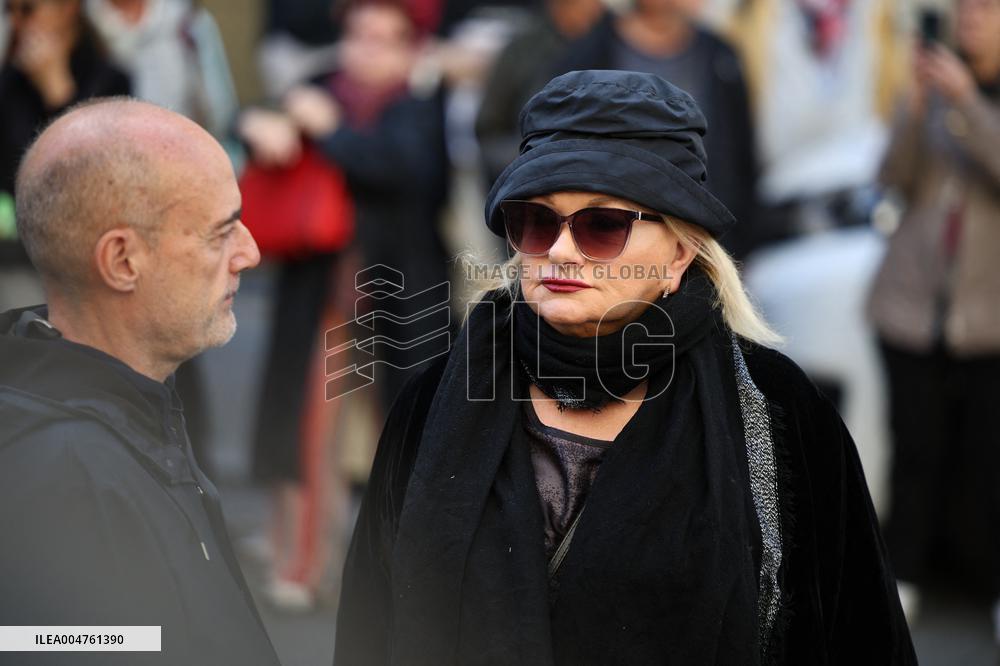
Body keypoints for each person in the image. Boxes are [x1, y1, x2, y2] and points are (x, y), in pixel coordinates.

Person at [334, 70, 917, 665]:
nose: (559, 250)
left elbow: (860, 637)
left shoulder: (779, 410)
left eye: (602, 225)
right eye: (535, 220)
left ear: (679, 254)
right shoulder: (437, 398)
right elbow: (369, 625)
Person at [0, 98, 280, 666]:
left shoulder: (125, 408)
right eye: (220, 231)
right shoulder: (58, 475)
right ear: (123, 261)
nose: (249, 252)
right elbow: (63, 644)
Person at [866, 0, 1000, 628]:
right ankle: (906, 580)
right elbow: (893, 176)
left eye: (986, 8)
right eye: (964, 6)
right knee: (912, 449)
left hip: (989, 318)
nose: (970, 17)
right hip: (911, 308)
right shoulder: (930, 86)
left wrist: (968, 101)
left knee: (985, 456)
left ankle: (985, 581)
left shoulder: (970, 93)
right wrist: (918, 106)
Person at [552, 0, 758, 259]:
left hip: (708, 241)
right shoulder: (589, 54)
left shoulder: (719, 55)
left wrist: (743, 244)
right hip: (608, 242)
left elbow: (742, 157)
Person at [0, 0, 129, 305]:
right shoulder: (10, 82)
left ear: (68, 8)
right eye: (10, 10)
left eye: (28, 9)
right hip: (18, 248)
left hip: (91, 250)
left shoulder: (110, 78)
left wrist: (57, 91)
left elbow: (97, 169)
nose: (18, 21)